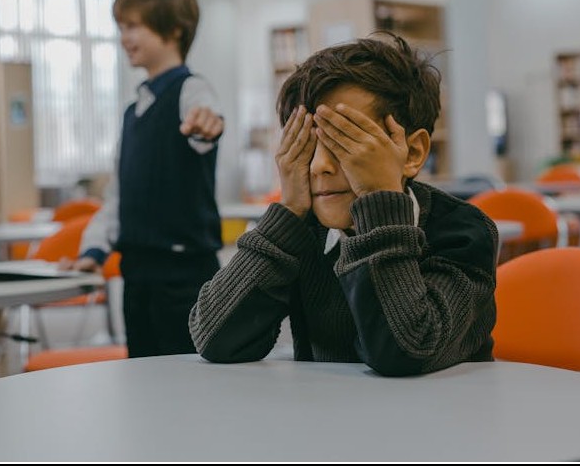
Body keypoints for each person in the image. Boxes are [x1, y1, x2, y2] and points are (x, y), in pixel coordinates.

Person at [189, 33, 499, 376]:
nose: (320, 165)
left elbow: (403, 352)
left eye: (344, 142)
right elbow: (215, 339)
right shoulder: (303, 229)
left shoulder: (463, 232)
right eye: (306, 146)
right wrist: (288, 212)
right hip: (326, 423)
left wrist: (378, 202)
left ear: (411, 153)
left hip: (440, 421)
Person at [67, 0, 224, 358]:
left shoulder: (192, 90)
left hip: (184, 274)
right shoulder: (132, 111)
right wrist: (93, 251)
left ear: (173, 29)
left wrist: (206, 127)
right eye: (121, 27)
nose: (124, 37)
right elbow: (118, 196)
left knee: (186, 378)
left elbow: (206, 125)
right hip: (137, 273)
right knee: (143, 372)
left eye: (133, 26)